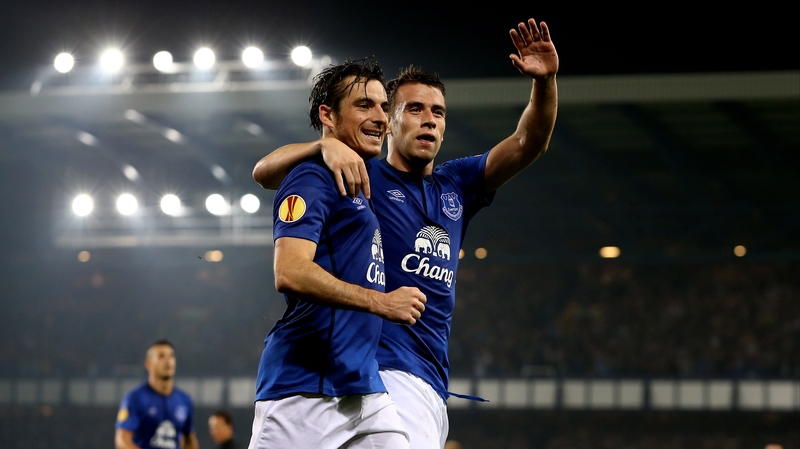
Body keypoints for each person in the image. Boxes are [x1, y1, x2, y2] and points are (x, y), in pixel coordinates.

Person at [253, 18, 558, 448]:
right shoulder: (361, 172)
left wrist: (545, 83)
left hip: (424, 376)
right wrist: (323, 144)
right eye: (414, 109)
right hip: (378, 367)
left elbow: (529, 142)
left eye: (438, 112)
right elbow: (267, 172)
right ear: (390, 123)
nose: (429, 120)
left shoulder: (457, 185)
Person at [247, 58, 426, 449]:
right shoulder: (313, 176)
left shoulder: (358, 177)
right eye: (364, 105)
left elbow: (263, 171)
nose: (380, 117)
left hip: (364, 390)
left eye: (383, 106)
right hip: (304, 390)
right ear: (328, 115)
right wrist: (381, 302)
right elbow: (290, 272)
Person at [115, 340, 199, 449]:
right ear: (148, 364)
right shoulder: (136, 398)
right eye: (161, 356)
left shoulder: (185, 400)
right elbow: (122, 441)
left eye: (172, 356)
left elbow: (189, 440)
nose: (168, 361)